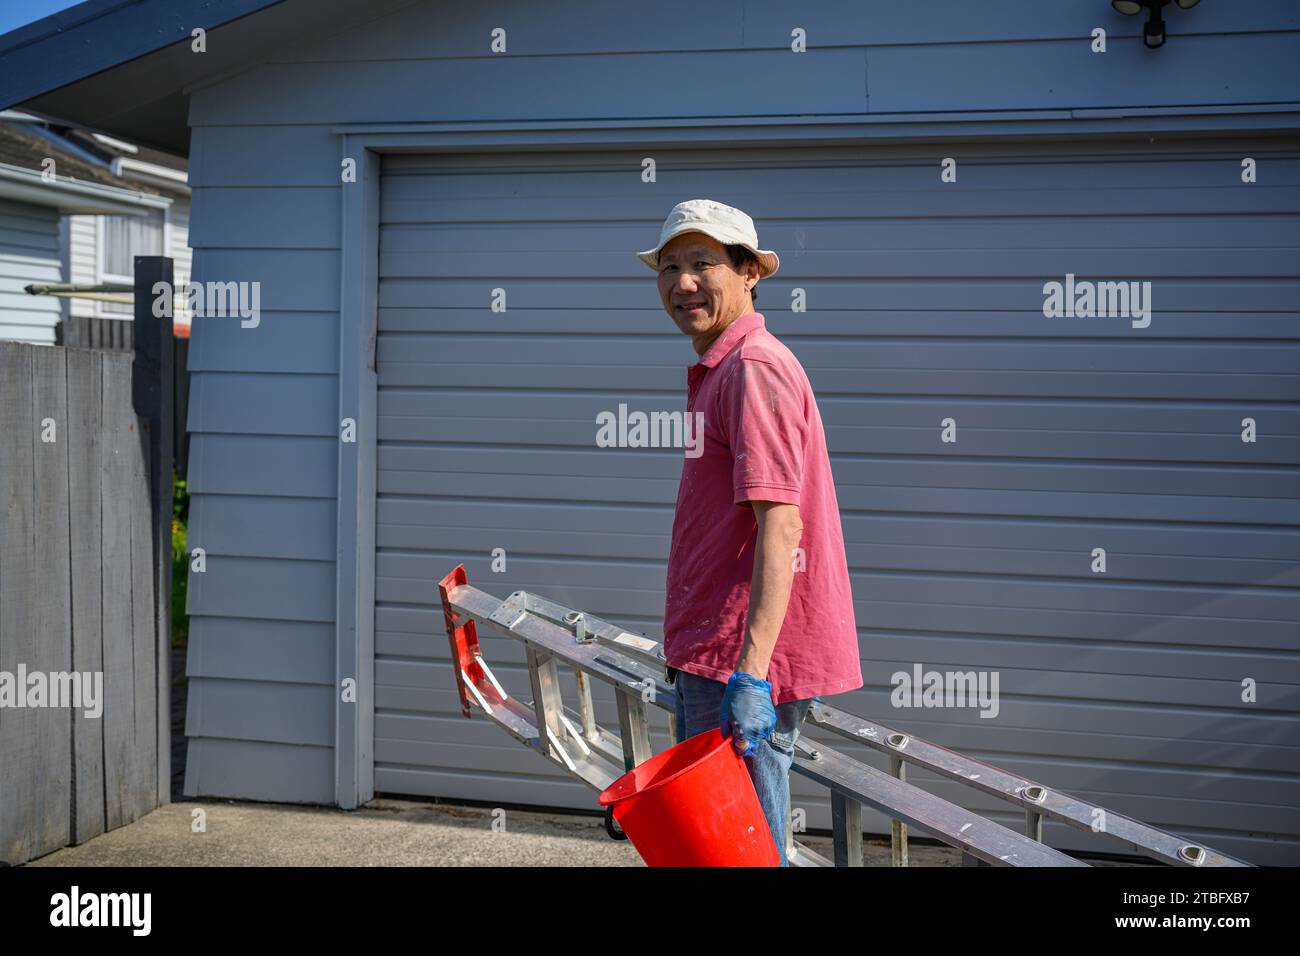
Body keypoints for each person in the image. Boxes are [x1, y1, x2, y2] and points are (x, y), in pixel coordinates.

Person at [637, 199, 862, 866]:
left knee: (742, 855)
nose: (683, 283)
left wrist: (752, 675)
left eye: (703, 264)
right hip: (715, 652)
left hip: (738, 661)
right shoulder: (722, 368)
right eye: (670, 268)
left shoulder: (751, 368)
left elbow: (782, 523)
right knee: (726, 848)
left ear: (749, 274)